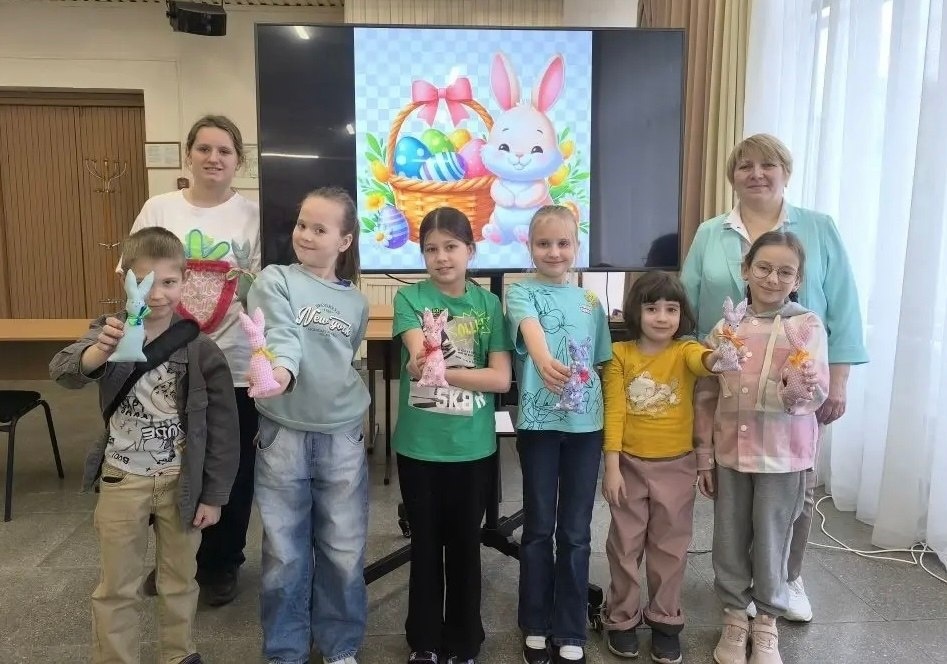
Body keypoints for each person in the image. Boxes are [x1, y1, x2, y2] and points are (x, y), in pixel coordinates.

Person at [680, 134, 868, 620]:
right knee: (736, 485)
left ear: (786, 171)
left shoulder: (818, 228)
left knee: (792, 487)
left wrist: (838, 382)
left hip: (798, 386)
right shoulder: (710, 233)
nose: (756, 174)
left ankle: (786, 578)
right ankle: (739, 587)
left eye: (768, 165)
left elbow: (844, 307)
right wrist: (695, 368)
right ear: (733, 176)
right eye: (745, 166)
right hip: (727, 384)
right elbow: (687, 306)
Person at [51, 227, 239, 664]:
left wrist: (214, 495)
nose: (156, 294)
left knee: (180, 579)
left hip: (181, 481)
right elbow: (63, 370)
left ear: (185, 280)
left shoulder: (199, 347)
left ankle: (178, 653)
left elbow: (223, 428)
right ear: (126, 280)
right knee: (117, 585)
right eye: (144, 281)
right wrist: (100, 352)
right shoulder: (109, 331)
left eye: (168, 282)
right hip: (122, 476)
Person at [127, 115, 261, 606]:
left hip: (234, 364)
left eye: (224, 150)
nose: (213, 158)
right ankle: (174, 560)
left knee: (231, 466)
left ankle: (222, 561)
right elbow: (133, 276)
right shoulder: (159, 208)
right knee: (168, 463)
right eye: (204, 148)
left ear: (239, 160)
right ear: (189, 155)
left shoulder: (254, 216)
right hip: (168, 361)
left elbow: (263, 289)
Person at [247, 187, 369, 664]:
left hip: (342, 434)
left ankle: (340, 646)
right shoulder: (274, 279)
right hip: (283, 433)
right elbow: (281, 335)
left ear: (344, 241)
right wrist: (281, 373)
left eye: (320, 229)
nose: (306, 235)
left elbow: (345, 357)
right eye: (302, 224)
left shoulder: (356, 302)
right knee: (284, 551)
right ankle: (285, 650)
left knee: (343, 548)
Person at [695, 231, 829, 664]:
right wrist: (704, 456)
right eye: (764, 268)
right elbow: (707, 394)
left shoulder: (806, 326)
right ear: (746, 270)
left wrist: (800, 386)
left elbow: (816, 394)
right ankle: (735, 617)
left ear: (798, 279)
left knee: (774, 538)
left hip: (783, 457)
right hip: (731, 453)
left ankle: (767, 621)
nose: (773, 279)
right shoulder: (726, 327)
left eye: (785, 272)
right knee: (729, 536)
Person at [391, 207, 513, 664]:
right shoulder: (410, 299)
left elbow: (500, 379)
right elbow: (416, 360)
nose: (441, 257)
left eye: (451, 247)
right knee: (425, 545)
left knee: (464, 547)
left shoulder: (488, 305)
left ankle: (464, 642)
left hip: (472, 448)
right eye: (431, 249)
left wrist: (443, 372)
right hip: (419, 447)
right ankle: (423, 640)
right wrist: (424, 364)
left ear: (470, 251)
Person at [601, 271, 736, 664]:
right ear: (636, 312)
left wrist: (719, 356)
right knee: (624, 547)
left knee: (670, 549)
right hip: (627, 465)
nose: (662, 317)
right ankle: (621, 619)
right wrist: (611, 466)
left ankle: (665, 621)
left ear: (681, 314)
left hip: (677, 467)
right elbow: (614, 413)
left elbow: (704, 362)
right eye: (652, 308)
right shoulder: (619, 355)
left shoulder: (685, 350)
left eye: (671, 309)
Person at [505, 205, 613, 664]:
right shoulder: (519, 292)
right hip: (539, 427)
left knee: (575, 530)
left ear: (576, 247)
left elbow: (602, 362)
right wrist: (544, 359)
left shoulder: (590, 302)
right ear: (529, 247)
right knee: (537, 527)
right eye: (543, 243)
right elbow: (530, 331)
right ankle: (534, 622)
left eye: (563, 243)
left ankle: (570, 627)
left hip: (586, 427)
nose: (553, 252)